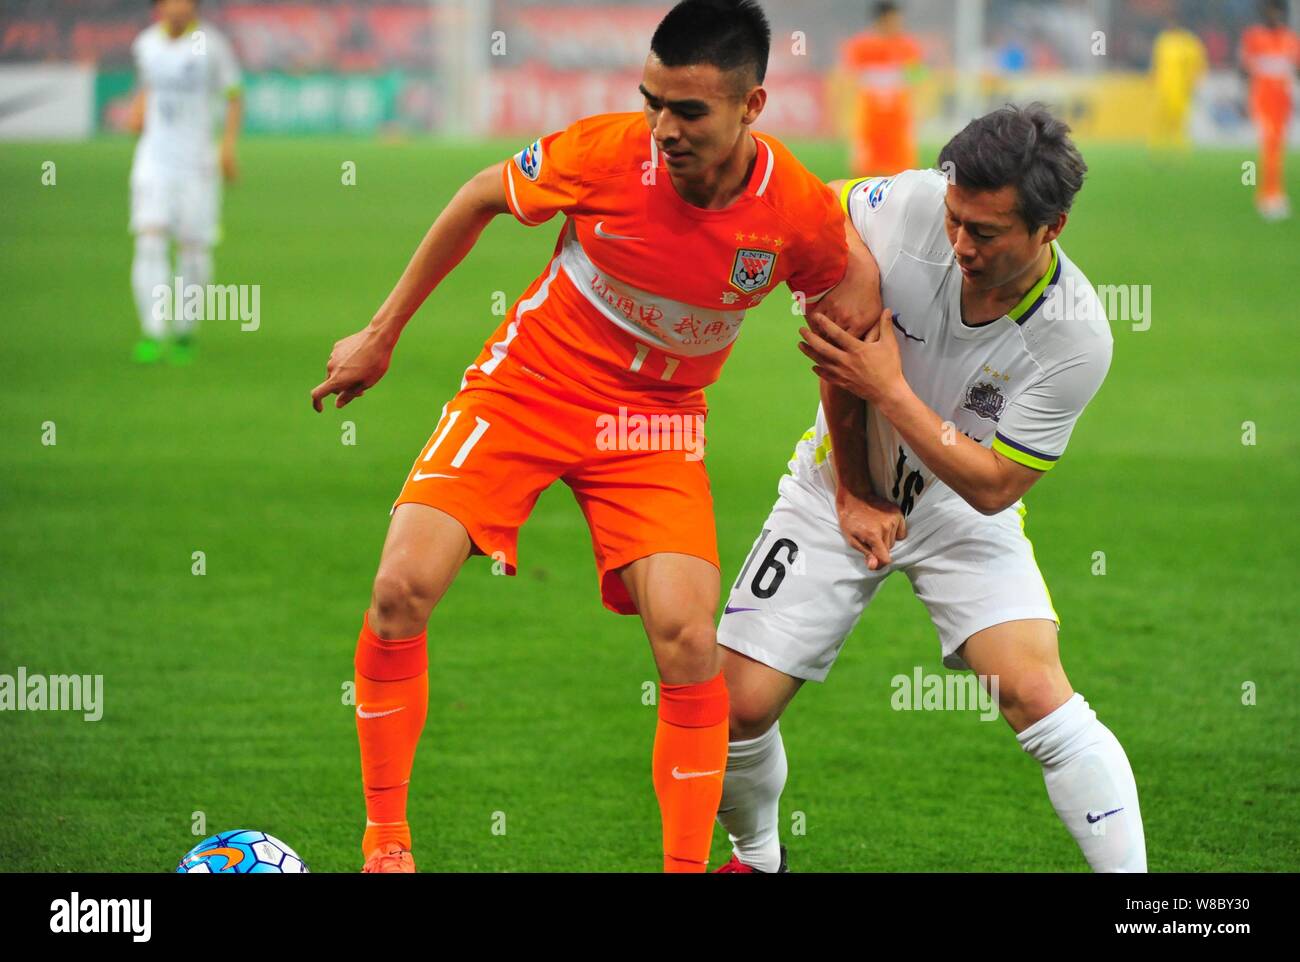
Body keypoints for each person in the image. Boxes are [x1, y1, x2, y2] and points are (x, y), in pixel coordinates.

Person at [310, 0, 874, 873]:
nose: (663, 128)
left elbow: (845, 315)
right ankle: (386, 844)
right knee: (400, 587)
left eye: (688, 111)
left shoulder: (795, 212)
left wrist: (855, 483)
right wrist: (382, 334)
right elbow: (476, 198)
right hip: (531, 384)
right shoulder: (607, 152)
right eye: (652, 101)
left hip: (656, 424)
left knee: (690, 642)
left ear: (751, 108)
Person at [713, 104, 1147, 873]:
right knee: (733, 709)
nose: (959, 243)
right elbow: (820, 210)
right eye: (955, 219)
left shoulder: (1077, 334)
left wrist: (887, 387)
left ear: (1054, 227)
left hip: (957, 501)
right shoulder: (913, 204)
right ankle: (758, 860)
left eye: (985, 232)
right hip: (833, 478)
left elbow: (995, 488)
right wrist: (854, 485)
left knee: (1037, 693)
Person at [127, 0, 242, 364]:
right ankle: (152, 331)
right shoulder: (145, 44)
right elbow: (148, 86)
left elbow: (234, 95)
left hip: (197, 165)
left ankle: (184, 331)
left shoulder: (212, 45)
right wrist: (138, 109)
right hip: (154, 160)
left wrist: (226, 148)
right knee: (150, 241)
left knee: (193, 252)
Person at [841, 1, 925, 176]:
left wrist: (917, 111)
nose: (898, 24)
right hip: (870, 118)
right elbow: (848, 81)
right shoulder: (860, 46)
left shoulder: (908, 46)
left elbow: (917, 80)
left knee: (903, 168)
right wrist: (848, 116)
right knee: (864, 168)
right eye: (894, 20)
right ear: (882, 19)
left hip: (898, 119)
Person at [1240, 0, 1299, 219]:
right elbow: (1245, 70)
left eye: (1276, 11)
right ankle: (1269, 195)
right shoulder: (1254, 37)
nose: (1272, 15)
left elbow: (1296, 70)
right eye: (1269, 11)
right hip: (1263, 98)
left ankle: (1272, 194)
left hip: (1283, 100)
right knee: (1269, 147)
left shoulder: (1290, 39)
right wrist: (1244, 98)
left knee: (1277, 148)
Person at [1150, 12, 1207, 151]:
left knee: (1179, 119)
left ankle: (1179, 148)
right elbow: (1157, 62)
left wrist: (1194, 81)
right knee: (1161, 117)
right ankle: (1159, 148)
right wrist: (1153, 78)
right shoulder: (1163, 39)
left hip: (1181, 87)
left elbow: (1198, 63)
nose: (1169, 25)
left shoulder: (1188, 41)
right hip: (1163, 86)